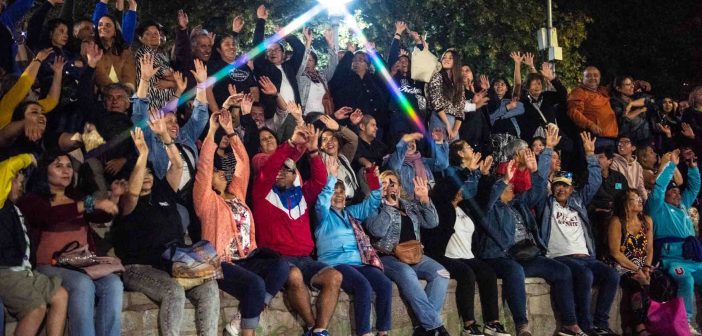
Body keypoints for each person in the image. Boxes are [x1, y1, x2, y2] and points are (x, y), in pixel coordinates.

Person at [113, 127, 220, 336]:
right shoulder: (127, 202)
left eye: (149, 172)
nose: (146, 177)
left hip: (173, 264)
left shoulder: (162, 191)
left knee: (209, 287)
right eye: (141, 172)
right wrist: (142, 154)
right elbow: (133, 192)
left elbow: (178, 166)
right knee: (174, 291)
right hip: (139, 268)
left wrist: (165, 138)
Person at [194, 111, 290, 336]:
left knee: (281, 266)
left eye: (221, 172)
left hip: (247, 257)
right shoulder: (206, 200)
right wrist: (212, 130)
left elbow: (243, 162)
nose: (220, 174)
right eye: (216, 172)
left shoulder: (236, 194)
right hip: (221, 262)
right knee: (256, 284)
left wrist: (230, 131)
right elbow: (205, 165)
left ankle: (241, 319)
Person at [477, 151, 585, 336]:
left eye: (511, 186)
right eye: (508, 187)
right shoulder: (490, 208)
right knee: (514, 270)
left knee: (562, 271)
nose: (512, 189)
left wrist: (537, 168)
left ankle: (570, 324)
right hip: (500, 256)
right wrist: (503, 179)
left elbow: (535, 191)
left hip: (526, 254)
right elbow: (491, 195)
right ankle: (522, 325)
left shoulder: (518, 204)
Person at [18, 151, 123, 336]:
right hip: (49, 266)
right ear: (44, 171)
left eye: (68, 166)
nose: (66, 170)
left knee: (113, 284)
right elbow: (49, 216)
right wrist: (88, 203)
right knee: (83, 284)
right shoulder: (32, 200)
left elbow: (100, 214)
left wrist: (114, 197)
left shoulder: (76, 198)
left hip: (82, 263)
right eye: (58, 166)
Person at [252, 124, 342, 336]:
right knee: (293, 275)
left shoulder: (302, 194)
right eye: (279, 169)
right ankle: (312, 327)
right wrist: (291, 144)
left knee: (334, 277)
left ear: (295, 175)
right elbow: (271, 165)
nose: (282, 172)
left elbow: (320, 179)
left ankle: (320, 329)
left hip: (305, 258)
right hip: (278, 259)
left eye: (288, 169)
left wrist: (312, 151)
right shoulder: (262, 191)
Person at [536, 132, 620, 335]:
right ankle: (585, 324)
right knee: (584, 274)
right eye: (557, 185)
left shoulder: (578, 202)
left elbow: (594, 181)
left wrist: (591, 154)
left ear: (572, 188)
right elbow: (539, 179)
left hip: (586, 256)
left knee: (612, 275)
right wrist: (547, 149)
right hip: (560, 257)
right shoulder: (546, 204)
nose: (561, 189)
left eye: (565, 185)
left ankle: (601, 323)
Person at [132, 56, 209, 241]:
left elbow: (201, 114)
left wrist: (201, 84)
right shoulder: (151, 139)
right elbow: (138, 114)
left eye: (175, 120)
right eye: (168, 121)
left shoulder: (186, 135)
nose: (174, 124)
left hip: (195, 196)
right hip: (167, 199)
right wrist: (144, 80)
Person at [365, 171, 451, 336]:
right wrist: (388, 207)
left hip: (414, 254)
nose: (389, 186)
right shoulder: (372, 205)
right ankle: (436, 327)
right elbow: (376, 230)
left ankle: (424, 328)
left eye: (393, 183)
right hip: (388, 257)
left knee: (442, 273)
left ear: (399, 187)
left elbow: (432, 223)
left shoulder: (408, 205)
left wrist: (424, 199)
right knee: (407, 273)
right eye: (384, 183)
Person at [315, 160, 393, 336]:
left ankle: (383, 332)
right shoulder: (323, 216)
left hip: (358, 262)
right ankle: (364, 333)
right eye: (335, 193)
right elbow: (321, 203)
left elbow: (372, 203)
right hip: (336, 263)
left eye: (342, 192)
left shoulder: (351, 213)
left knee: (385, 284)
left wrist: (373, 179)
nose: (339, 196)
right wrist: (332, 178)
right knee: (363, 286)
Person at [424, 176, 509, 336]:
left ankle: (492, 323)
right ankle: (469, 324)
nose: (461, 190)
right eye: (458, 188)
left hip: (467, 255)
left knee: (488, 273)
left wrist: (485, 177)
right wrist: (465, 171)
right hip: (447, 256)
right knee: (466, 274)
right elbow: (441, 202)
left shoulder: (465, 209)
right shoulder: (442, 209)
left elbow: (483, 201)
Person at [0, 154, 68, 336]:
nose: (20, 185)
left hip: (25, 272)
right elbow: (5, 171)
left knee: (60, 295)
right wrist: (27, 158)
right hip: (6, 271)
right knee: (35, 308)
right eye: (16, 181)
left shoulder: (16, 208)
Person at [646, 149, 701, 334]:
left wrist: (692, 168)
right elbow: (658, 189)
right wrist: (671, 166)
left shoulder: (684, 205)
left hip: (692, 258)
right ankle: (685, 321)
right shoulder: (657, 207)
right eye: (673, 192)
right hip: (672, 259)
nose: (678, 195)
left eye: (678, 192)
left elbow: (694, 188)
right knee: (685, 278)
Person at [608, 190, 654, 336]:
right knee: (636, 285)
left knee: (662, 282)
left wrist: (646, 268)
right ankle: (638, 325)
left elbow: (650, 249)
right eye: (635, 199)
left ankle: (649, 322)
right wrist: (637, 270)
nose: (640, 200)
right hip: (623, 265)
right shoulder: (617, 221)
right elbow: (615, 253)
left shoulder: (647, 221)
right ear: (626, 204)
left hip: (642, 265)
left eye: (640, 198)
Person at [252, 5, 306, 121]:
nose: (273, 52)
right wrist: (261, 21)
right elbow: (257, 47)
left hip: (296, 115)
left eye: (276, 49)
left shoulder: (290, 67)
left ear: (283, 53)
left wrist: (287, 35)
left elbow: (301, 49)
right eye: (269, 50)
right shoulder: (263, 67)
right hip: (275, 117)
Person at [588, 146, 629, 259]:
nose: (597, 160)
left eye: (600, 157)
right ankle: (602, 256)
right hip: (596, 215)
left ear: (610, 161)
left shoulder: (618, 178)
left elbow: (625, 195)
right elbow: (586, 199)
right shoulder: (588, 177)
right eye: (595, 157)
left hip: (617, 214)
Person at [384, 132, 448, 199]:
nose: (411, 144)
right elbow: (394, 168)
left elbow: (442, 164)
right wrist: (403, 142)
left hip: (424, 202)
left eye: (413, 142)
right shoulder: (392, 160)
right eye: (408, 142)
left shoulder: (423, 161)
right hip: (406, 205)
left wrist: (439, 143)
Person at [567, 66, 618, 149]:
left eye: (596, 75)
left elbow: (620, 86)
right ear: (582, 78)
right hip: (596, 139)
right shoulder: (579, 92)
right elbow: (574, 112)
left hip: (611, 137)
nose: (593, 78)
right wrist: (590, 125)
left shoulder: (602, 91)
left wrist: (639, 83)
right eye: (588, 76)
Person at [519, 62, 567, 141]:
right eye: (533, 84)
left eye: (539, 84)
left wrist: (552, 79)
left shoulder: (547, 96)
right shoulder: (523, 102)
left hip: (551, 138)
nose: (537, 86)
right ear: (528, 86)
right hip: (531, 141)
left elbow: (563, 94)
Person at [318, 115, 361, 202]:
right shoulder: (319, 159)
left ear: (338, 142)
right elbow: (311, 144)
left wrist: (338, 128)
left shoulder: (344, 157)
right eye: (324, 139)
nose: (330, 141)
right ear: (321, 146)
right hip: (334, 205)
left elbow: (354, 140)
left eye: (333, 138)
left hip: (353, 203)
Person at [297, 25, 338, 115]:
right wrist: (308, 42)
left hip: (324, 116)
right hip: (306, 116)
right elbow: (303, 62)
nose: (307, 63)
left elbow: (333, 65)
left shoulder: (322, 75)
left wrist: (331, 46)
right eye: (306, 60)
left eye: (310, 60)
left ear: (315, 63)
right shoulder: (300, 75)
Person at [427, 49, 465, 142]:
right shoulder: (437, 76)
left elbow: (461, 108)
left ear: (456, 62)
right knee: (439, 153)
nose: (446, 59)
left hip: (454, 122)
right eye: (444, 57)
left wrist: (455, 130)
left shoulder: (459, 83)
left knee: (454, 153)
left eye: (450, 58)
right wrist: (447, 125)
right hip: (439, 118)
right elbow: (436, 102)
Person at [93, 14, 136, 91]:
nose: (103, 27)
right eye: (100, 25)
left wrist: (127, 91)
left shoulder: (125, 51)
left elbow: (129, 75)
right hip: (101, 95)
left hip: (123, 95)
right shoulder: (93, 48)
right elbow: (100, 75)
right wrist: (114, 92)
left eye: (108, 25)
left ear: (115, 31)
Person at [609, 76, 651, 145]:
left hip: (645, 138)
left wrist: (632, 103)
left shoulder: (635, 97)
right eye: (628, 85)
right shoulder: (615, 102)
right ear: (618, 88)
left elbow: (649, 100)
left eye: (632, 84)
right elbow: (624, 119)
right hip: (629, 142)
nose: (632, 86)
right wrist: (640, 110)